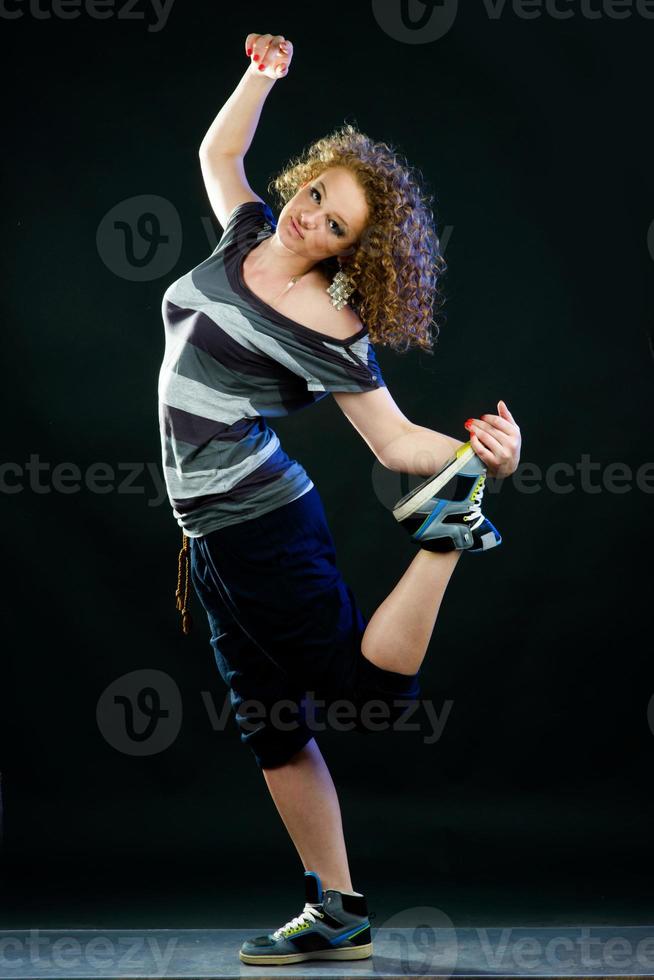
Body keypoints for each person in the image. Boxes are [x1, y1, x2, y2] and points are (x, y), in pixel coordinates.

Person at [157, 32, 522, 965]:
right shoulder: (247, 232)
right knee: (274, 735)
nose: (308, 219)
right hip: (213, 541)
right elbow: (218, 155)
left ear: (356, 255)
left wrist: (481, 456)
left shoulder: (332, 325)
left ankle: (448, 534)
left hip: (263, 525)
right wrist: (262, 75)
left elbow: (393, 439)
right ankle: (340, 910)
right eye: (316, 194)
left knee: (361, 690)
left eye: (334, 224)